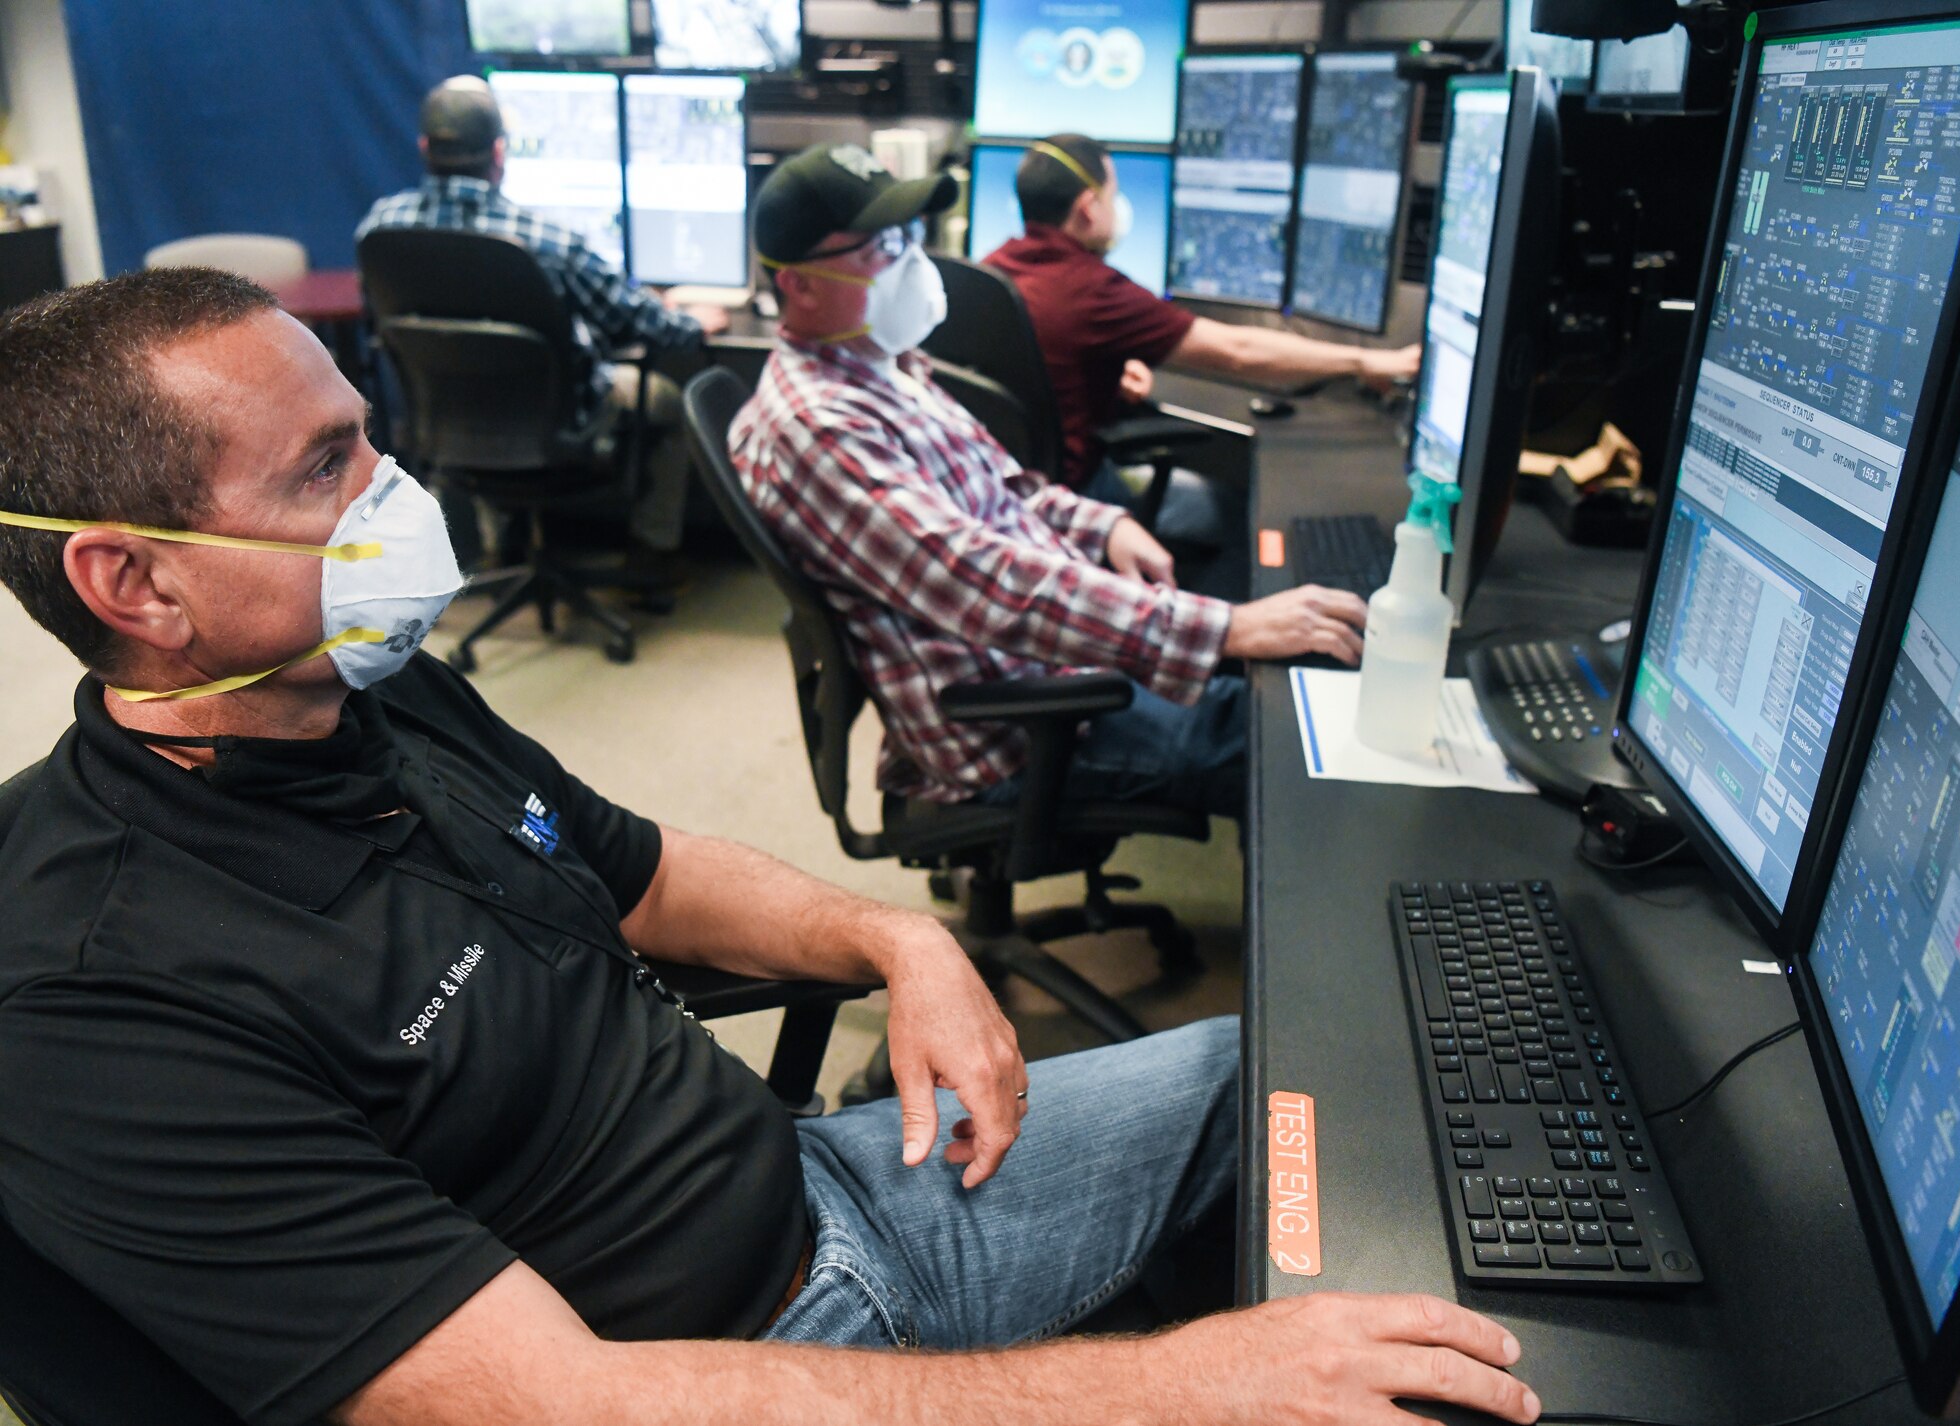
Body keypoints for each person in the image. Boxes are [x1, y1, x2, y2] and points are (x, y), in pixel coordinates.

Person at [0, 268, 1546, 1426]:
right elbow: (566, 1403)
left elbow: (651, 871)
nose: (397, 492)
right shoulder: (98, 1005)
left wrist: (904, 942)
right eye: (325, 466)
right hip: (733, 1365)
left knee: (1282, 1088)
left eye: (368, 437)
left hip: (836, 1181)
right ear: (136, 583)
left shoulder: (376, 696)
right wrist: (1179, 1384)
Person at [730, 144, 1370, 821]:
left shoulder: (880, 364)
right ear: (797, 283)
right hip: (1023, 728)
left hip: (1056, 659)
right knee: (1300, 744)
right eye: (880, 247)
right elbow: (982, 583)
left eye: (912, 236)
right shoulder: (818, 428)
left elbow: (1008, 485)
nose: (911, 260)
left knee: (1295, 682)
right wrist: (1226, 629)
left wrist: (1106, 524)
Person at [356, 75, 729, 589]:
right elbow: (640, 324)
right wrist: (691, 322)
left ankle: (498, 551)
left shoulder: (379, 229)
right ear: (499, 153)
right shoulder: (548, 240)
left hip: (447, 427)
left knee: (476, 384)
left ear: (425, 148)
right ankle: (651, 557)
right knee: (668, 403)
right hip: (561, 430)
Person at [985, 134, 1424, 492]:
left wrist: (1105, 369)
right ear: (1087, 208)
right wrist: (1364, 361)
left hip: (1011, 486)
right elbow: (1239, 350)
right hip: (1077, 496)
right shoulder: (1094, 291)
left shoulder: (995, 269)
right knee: (1214, 503)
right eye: (1111, 195)